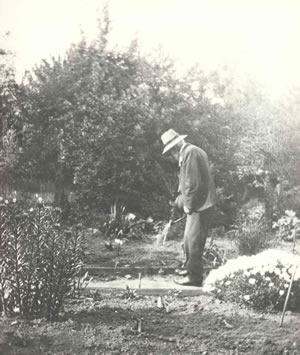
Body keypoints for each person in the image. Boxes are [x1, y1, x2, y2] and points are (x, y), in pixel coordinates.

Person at [161, 128, 216, 286]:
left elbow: (193, 183)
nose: (172, 154)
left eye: (172, 150)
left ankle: (194, 277)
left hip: (201, 204)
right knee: (188, 239)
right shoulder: (191, 151)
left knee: (193, 241)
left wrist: (188, 205)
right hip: (201, 202)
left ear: (178, 144)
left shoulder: (190, 153)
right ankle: (189, 268)